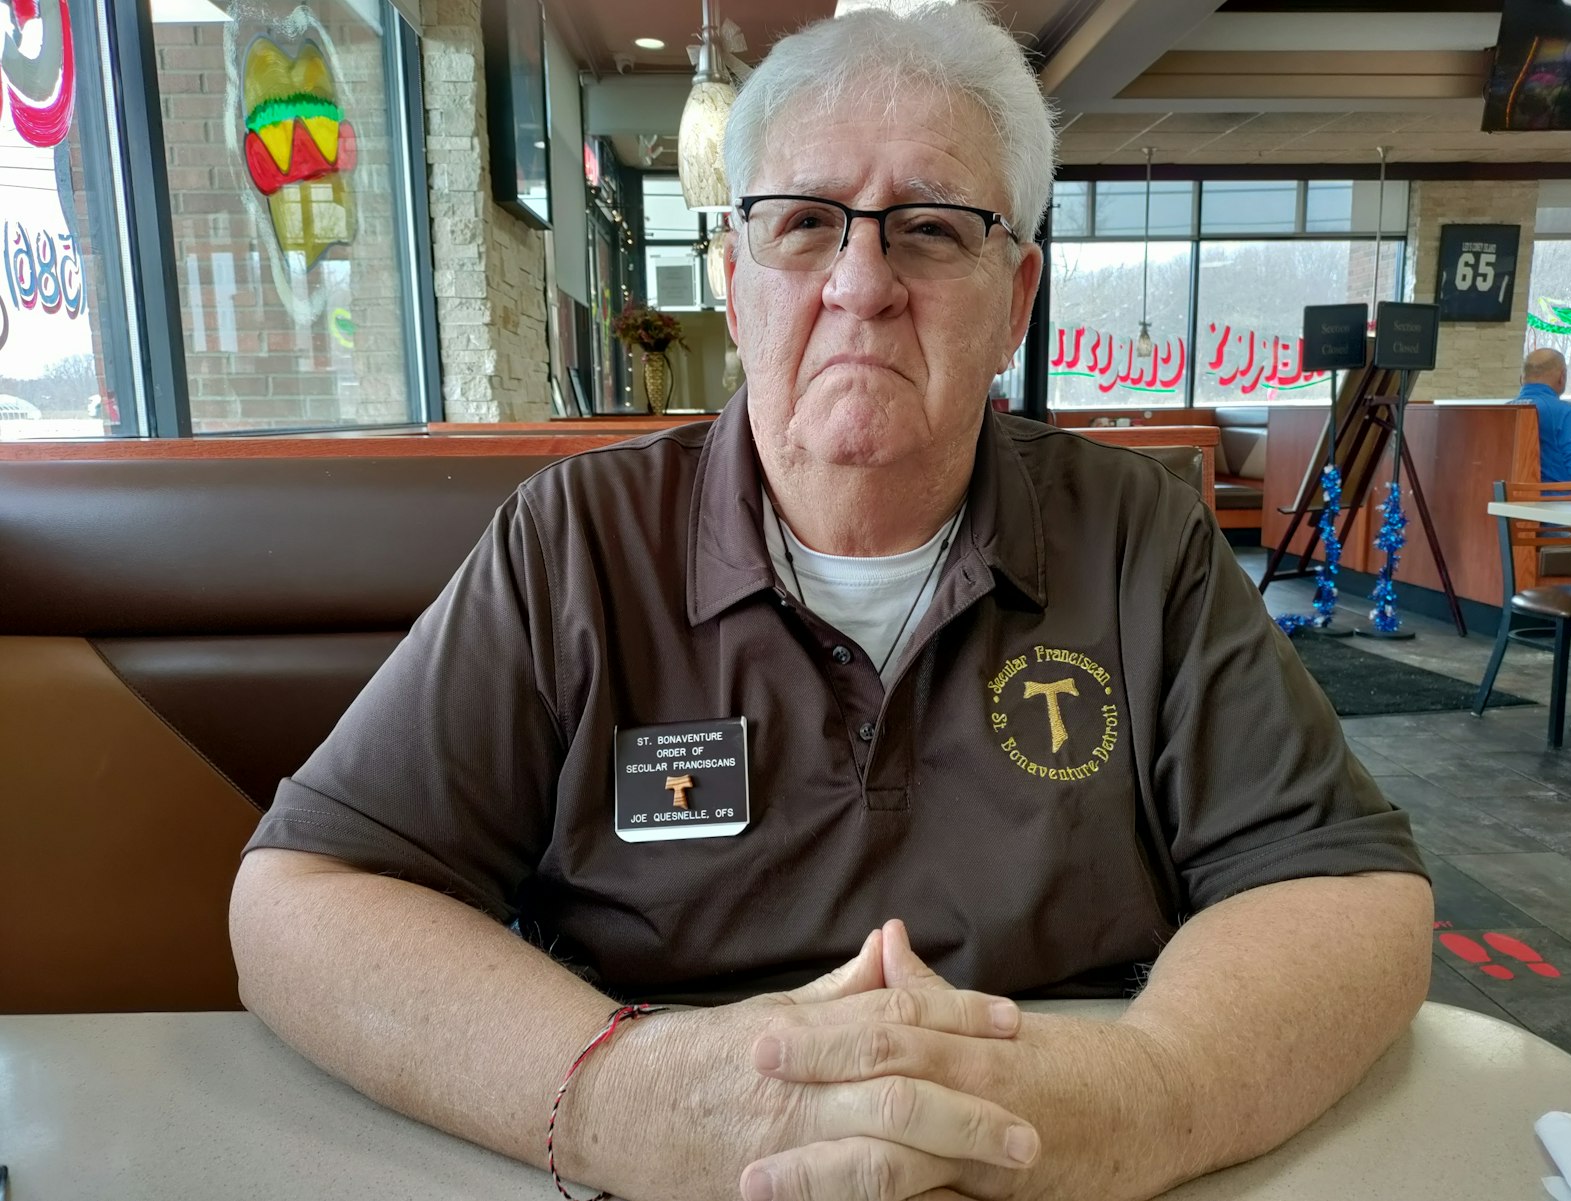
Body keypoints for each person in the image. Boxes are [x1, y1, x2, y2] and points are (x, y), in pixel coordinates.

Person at [229, 6, 1432, 1200]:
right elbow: (305, 899)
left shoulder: (1138, 538)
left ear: (1014, 299)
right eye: (804, 224)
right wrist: (613, 1097)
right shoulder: (574, 545)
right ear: (733, 279)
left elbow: (1346, 894)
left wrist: (1148, 1097)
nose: (861, 285)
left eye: (928, 228)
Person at [1518, 347, 1571, 482]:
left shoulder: (1502, 412)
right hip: (1560, 500)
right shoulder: (1568, 413)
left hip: (1507, 500)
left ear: (1522, 379)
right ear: (1562, 377)